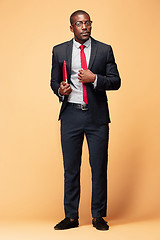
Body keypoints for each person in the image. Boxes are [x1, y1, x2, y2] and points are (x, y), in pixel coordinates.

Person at [50, 10, 121, 230]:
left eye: (87, 22)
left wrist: (95, 79)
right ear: (72, 28)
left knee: (98, 167)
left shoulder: (104, 50)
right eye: (79, 23)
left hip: (97, 116)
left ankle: (98, 215)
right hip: (70, 114)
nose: (84, 27)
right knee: (71, 168)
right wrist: (60, 90)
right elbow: (54, 81)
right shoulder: (59, 50)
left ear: (91, 25)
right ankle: (71, 217)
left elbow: (116, 81)